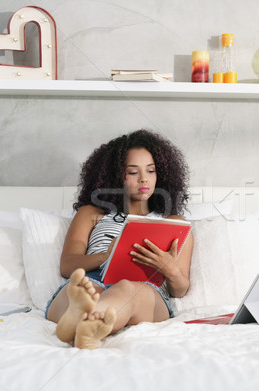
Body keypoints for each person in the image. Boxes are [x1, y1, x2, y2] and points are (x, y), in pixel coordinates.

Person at [46, 129, 193, 349]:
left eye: (151, 171)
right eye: (133, 172)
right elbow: (68, 266)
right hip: (93, 280)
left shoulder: (173, 224)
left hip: (145, 289)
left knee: (126, 289)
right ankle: (85, 324)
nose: (144, 178)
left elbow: (180, 289)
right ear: (116, 176)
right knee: (83, 290)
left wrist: (168, 267)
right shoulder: (91, 213)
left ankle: (80, 321)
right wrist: (107, 255)